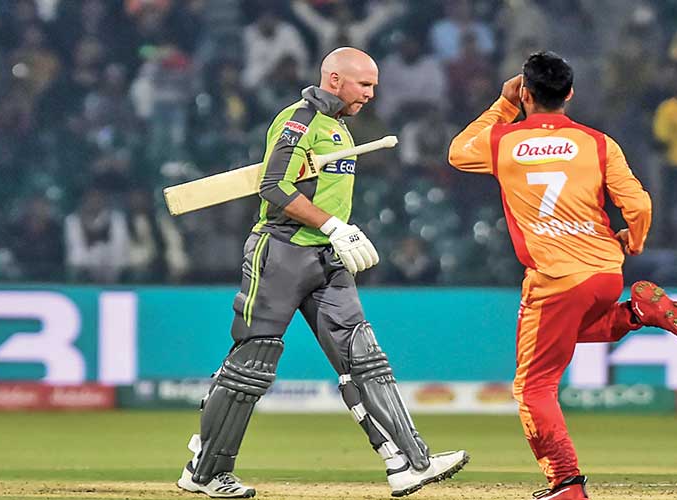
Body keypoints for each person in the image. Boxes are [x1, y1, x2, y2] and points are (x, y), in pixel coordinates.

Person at [176, 47, 467, 499]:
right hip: (280, 251)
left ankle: (410, 463)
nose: (371, 94)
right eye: (364, 85)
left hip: (327, 257)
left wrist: (336, 232)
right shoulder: (299, 120)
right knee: (253, 364)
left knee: (363, 357)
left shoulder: (338, 126)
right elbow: (273, 186)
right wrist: (333, 225)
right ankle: (206, 472)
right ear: (334, 79)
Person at [447, 52, 677, 500]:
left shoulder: (503, 140)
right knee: (564, 334)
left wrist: (504, 105)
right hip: (605, 271)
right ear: (570, 94)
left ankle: (566, 483)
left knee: (532, 386)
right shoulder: (598, 143)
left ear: (526, 93)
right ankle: (635, 314)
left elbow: (457, 153)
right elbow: (638, 204)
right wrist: (635, 240)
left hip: (555, 278)